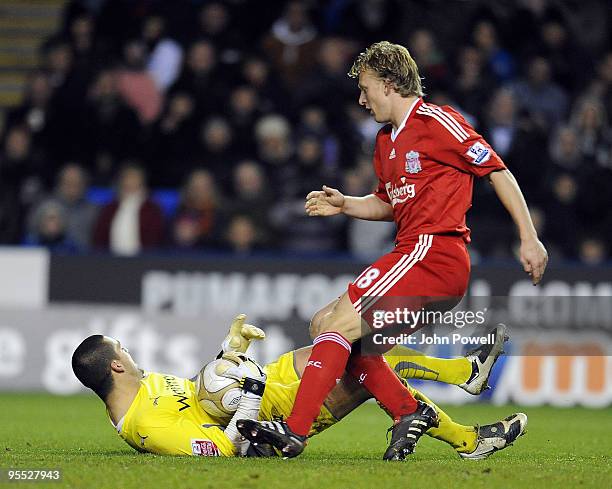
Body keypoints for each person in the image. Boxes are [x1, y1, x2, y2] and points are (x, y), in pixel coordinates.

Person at [238, 41, 548, 460]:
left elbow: (497, 171)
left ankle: (294, 431)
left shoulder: (439, 122)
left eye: (366, 89)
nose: (362, 100)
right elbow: (390, 203)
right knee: (326, 326)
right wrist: (345, 203)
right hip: (414, 254)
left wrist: (528, 237)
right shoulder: (386, 142)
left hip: (433, 254)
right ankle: (407, 412)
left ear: (388, 83)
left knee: (340, 326)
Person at [71, 314, 526, 459]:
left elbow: (202, 394)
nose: (130, 351)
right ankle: (466, 408)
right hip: (275, 420)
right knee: (360, 356)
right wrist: (249, 393)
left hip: (271, 388)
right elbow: (224, 449)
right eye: (123, 348)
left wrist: (229, 349)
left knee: (359, 353)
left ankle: (468, 425)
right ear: (115, 367)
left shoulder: (147, 386)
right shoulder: (147, 425)